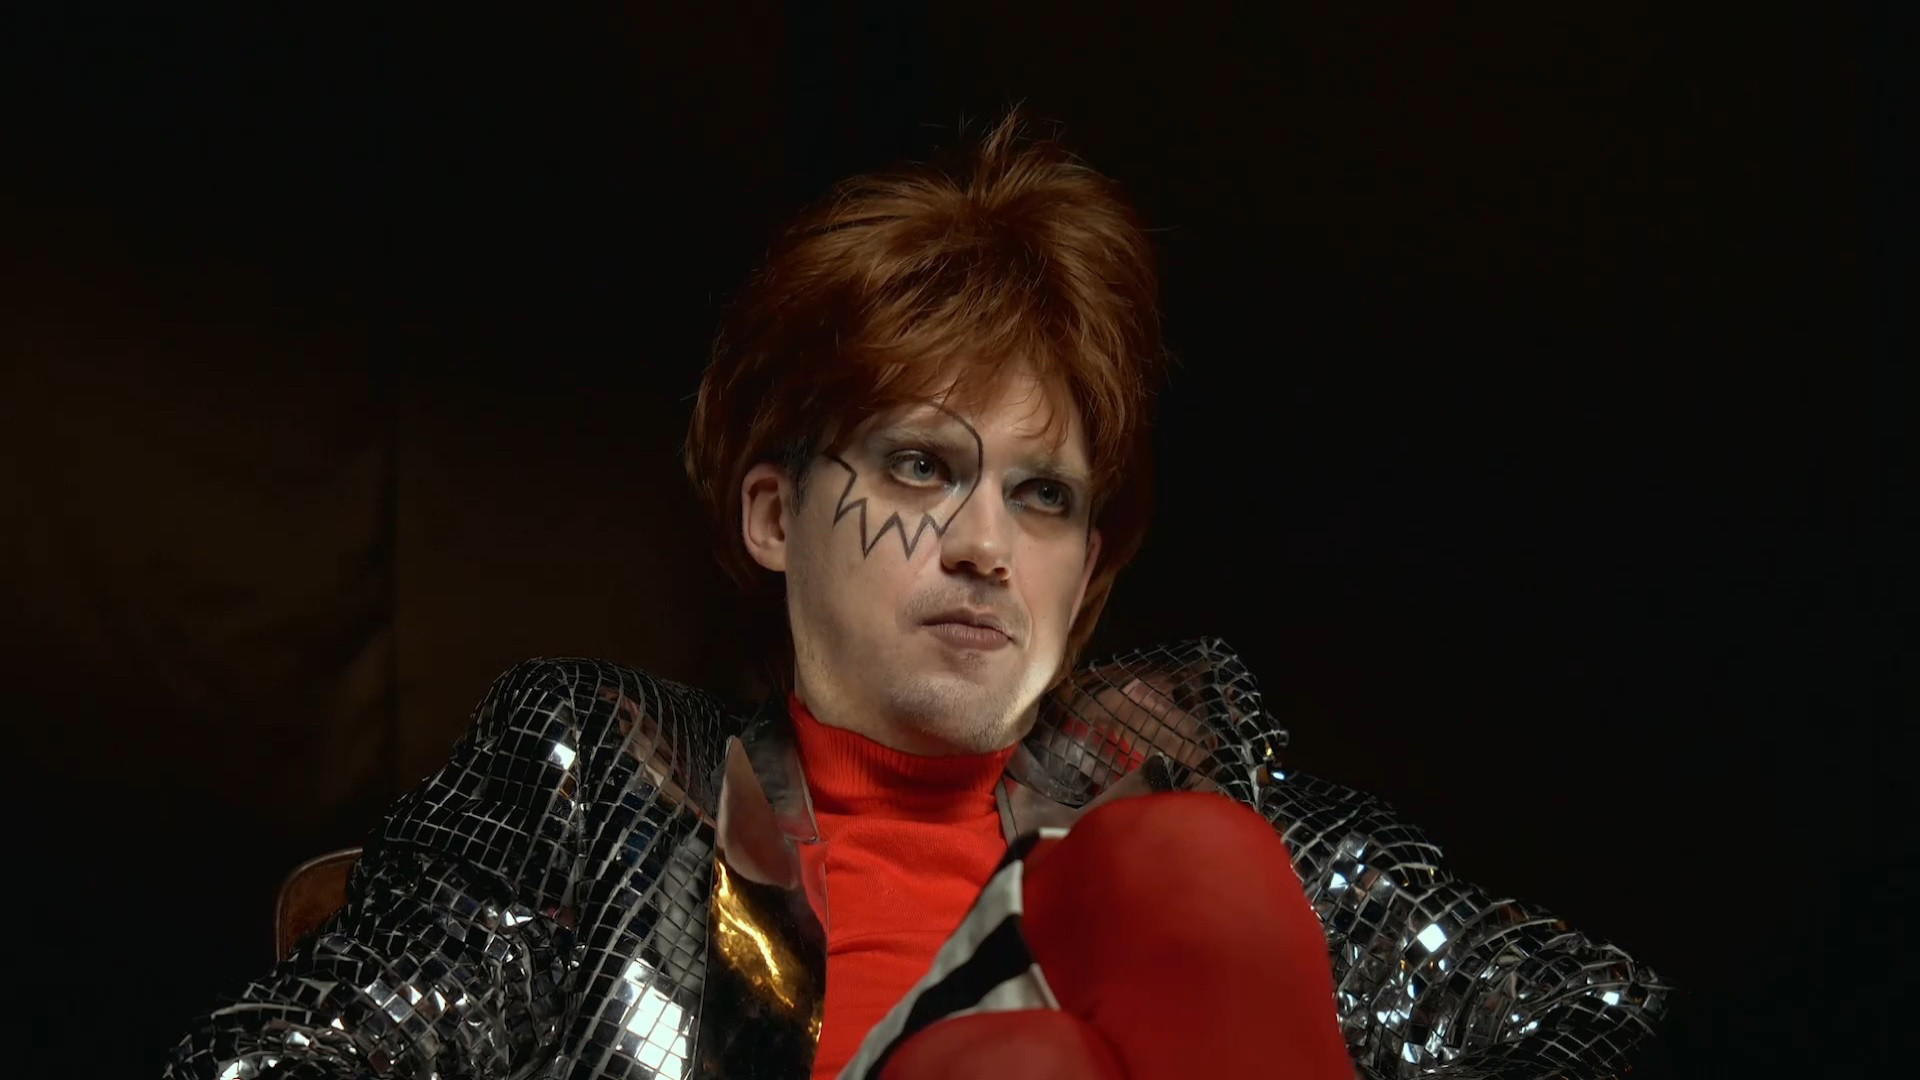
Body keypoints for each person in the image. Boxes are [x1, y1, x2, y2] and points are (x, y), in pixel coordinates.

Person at [168, 114, 1665, 1080]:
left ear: (1091, 568)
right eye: (920, 467)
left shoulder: (1212, 800)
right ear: (775, 514)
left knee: (1186, 872)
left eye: (1044, 495)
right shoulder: (597, 782)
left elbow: (1604, 1026)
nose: (983, 545)